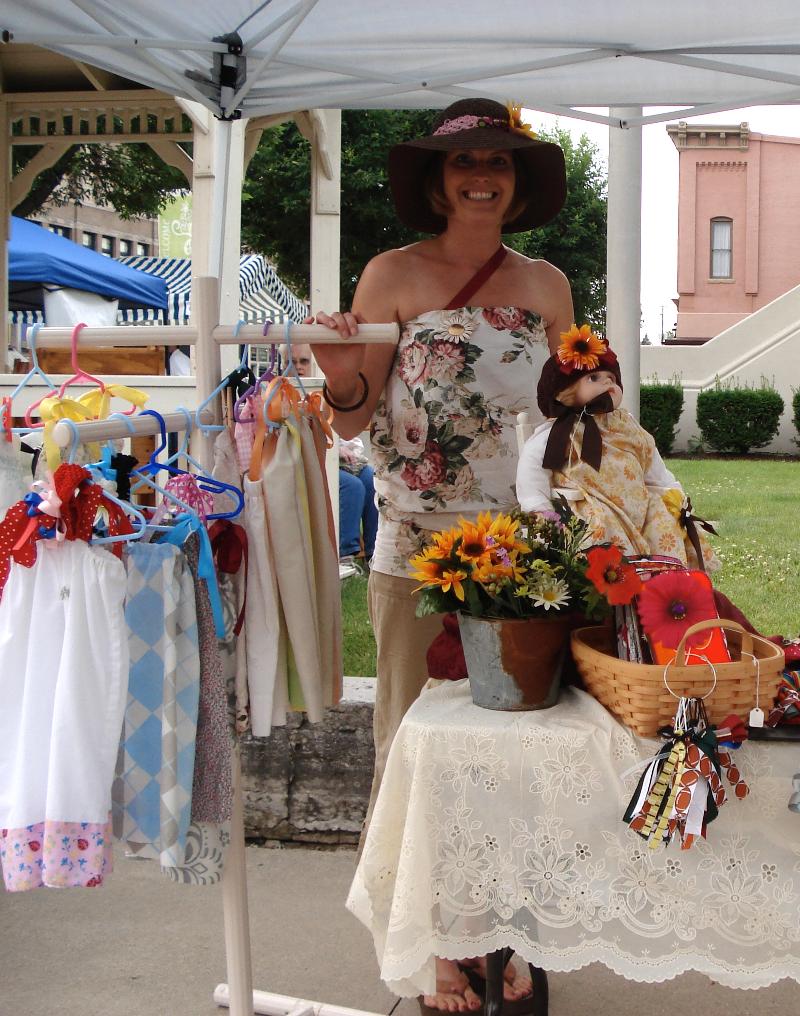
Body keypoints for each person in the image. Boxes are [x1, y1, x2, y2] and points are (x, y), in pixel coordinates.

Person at [309, 98, 574, 1011]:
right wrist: (336, 370)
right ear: (436, 181)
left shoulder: (545, 285)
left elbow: (563, 422)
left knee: (510, 747)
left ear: (516, 183)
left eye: (499, 163)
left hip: (519, 555)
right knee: (411, 742)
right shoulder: (390, 274)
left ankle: (496, 924)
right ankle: (428, 945)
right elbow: (352, 415)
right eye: (465, 165)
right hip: (417, 544)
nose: (482, 177)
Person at [516, 331, 718, 570]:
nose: (607, 383)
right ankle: (616, 586)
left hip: (640, 506)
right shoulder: (558, 433)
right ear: (567, 389)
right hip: (592, 510)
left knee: (662, 518)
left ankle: (665, 583)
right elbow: (532, 476)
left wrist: (674, 493)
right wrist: (540, 512)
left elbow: (651, 461)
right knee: (599, 528)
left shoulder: (626, 424)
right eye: (594, 378)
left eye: (612, 378)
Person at [282, 342, 378, 563]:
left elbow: (344, 428)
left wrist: (344, 447)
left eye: (304, 361)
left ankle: (374, 552)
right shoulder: (281, 392)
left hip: (336, 460)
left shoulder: (321, 390)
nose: (298, 367)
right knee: (351, 486)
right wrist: (337, 448)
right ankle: (344, 554)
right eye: (292, 362)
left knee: (370, 479)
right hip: (305, 462)